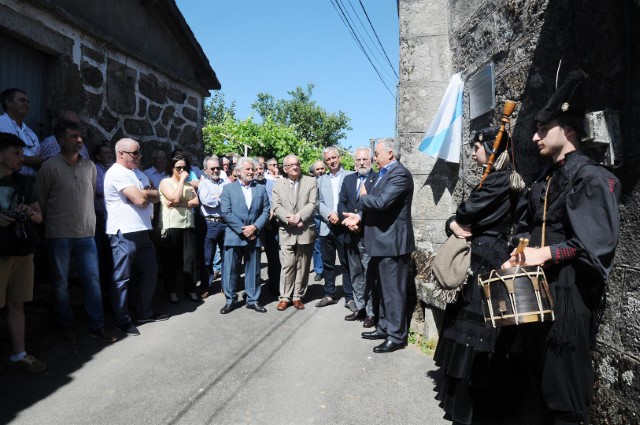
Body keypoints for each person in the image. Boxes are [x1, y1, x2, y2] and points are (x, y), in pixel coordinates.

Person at [502, 69, 620, 425]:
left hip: (568, 294)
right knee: (537, 380)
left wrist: (548, 254)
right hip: (534, 292)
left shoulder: (591, 177)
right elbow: (526, 226)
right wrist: (518, 254)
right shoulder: (544, 177)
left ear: (567, 130)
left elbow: (596, 245)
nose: (535, 136)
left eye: (543, 129)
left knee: (564, 390)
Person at [433, 126, 522, 424]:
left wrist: (454, 220)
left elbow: (467, 210)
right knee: (463, 325)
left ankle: (472, 410)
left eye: (476, 147)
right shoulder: (491, 177)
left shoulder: (499, 179)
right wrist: (452, 223)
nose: (472, 152)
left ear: (492, 149)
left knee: (479, 333)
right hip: (480, 256)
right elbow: (462, 217)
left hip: (489, 260)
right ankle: (457, 402)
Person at [36, 120, 116, 343]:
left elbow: (89, 195)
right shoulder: (49, 166)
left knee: (93, 281)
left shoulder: (90, 166)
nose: (79, 140)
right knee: (60, 284)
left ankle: (97, 325)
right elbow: (39, 201)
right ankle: (65, 325)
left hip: (86, 234)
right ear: (60, 140)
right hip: (58, 234)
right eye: (73, 136)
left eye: (80, 136)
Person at [342, 140, 415, 353]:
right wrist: (359, 217)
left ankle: (396, 335)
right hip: (380, 242)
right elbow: (376, 207)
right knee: (381, 290)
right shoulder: (385, 173)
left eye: (377, 153)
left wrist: (363, 197)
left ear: (390, 154)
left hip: (392, 244)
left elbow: (382, 202)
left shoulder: (400, 174)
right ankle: (384, 326)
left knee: (393, 292)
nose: (374, 157)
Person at [104, 138, 168, 336]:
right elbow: (142, 199)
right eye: (135, 153)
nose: (139, 157)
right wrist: (146, 193)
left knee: (150, 271)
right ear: (121, 153)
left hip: (142, 230)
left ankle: (144, 311)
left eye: (139, 153)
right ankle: (122, 320)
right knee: (122, 279)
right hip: (123, 232)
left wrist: (146, 194)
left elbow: (157, 197)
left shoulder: (137, 173)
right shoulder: (116, 172)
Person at [0, 132, 46, 372]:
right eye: (16, 153)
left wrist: (28, 211)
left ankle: (20, 354)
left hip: (23, 250)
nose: (22, 158)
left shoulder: (24, 183)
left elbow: (39, 217)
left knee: (17, 304)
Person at [219, 157, 270, 314]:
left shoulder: (260, 188)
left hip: (254, 235)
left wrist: (254, 227)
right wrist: (243, 230)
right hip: (234, 235)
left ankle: (253, 300)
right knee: (230, 269)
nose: (251, 172)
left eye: (252, 169)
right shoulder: (228, 188)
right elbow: (225, 212)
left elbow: (266, 211)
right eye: (247, 169)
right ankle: (230, 300)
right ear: (238, 171)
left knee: (253, 269)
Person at [271, 154, 318, 310]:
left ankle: (297, 295)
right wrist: (288, 218)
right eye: (290, 165)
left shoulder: (310, 181)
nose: (294, 167)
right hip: (286, 231)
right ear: (285, 168)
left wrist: (299, 216)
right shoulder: (278, 185)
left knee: (303, 265)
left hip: (305, 229)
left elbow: (313, 203)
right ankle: (285, 296)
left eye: (296, 164)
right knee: (288, 264)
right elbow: (276, 206)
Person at [337, 147, 378, 327]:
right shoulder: (348, 179)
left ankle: (371, 312)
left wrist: (358, 223)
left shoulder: (376, 179)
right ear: (354, 162)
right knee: (355, 274)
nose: (361, 163)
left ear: (371, 160)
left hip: (367, 234)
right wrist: (347, 222)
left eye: (365, 159)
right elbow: (341, 203)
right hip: (349, 235)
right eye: (358, 160)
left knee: (369, 274)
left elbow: (374, 205)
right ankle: (359, 308)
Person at [316, 147, 355, 311]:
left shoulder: (350, 177)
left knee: (346, 263)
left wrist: (340, 215)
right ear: (325, 162)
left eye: (334, 158)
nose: (332, 161)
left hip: (344, 226)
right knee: (328, 263)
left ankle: (349, 297)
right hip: (327, 226)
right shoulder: (320, 180)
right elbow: (316, 202)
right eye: (328, 160)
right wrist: (329, 214)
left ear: (339, 157)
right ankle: (329, 294)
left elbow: (353, 200)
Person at [158, 154, 200, 304]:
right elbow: (174, 197)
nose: (182, 170)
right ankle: (171, 290)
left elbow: (195, 202)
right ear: (172, 168)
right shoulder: (165, 182)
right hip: (172, 225)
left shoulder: (189, 185)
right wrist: (182, 180)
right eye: (179, 168)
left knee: (189, 259)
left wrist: (179, 204)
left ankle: (190, 289)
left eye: (184, 167)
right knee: (171, 261)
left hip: (188, 225)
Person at [197, 156, 227, 299]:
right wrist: (221, 197)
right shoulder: (203, 184)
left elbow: (229, 199)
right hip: (209, 224)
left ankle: (226, 286)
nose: (216, 170)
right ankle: (206, 286)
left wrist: (217, 196)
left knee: (227, 256)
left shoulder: (225, 182)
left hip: (225, 223)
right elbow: (206, 200)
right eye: (212, 168)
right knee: (207, 259)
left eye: (217, 168)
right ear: (206, 170)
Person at [0, 88, 41, 179]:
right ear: (9, 103)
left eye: (28, 101)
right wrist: (28, 160)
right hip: (5, 183)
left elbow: (39, 159)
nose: (26, 104)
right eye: (22, 100)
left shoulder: (31, 133)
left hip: (29, 184)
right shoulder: (1, 124)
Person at [254, 158, 280, 294]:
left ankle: (275, 286)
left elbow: (277, 200)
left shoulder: (272, 183)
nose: (259, 171)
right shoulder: (249, 185)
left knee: (274, 258)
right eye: (256, 169)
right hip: (255, 227)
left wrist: (273, 212)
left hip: (272, 226)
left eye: (261, 169)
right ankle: (254, 289)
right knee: (254, 260)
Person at [310, 160, 325, 282]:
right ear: (314, 171)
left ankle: (329, 268)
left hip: (328, 217)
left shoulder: (330, 181)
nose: (320, 171)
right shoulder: (310, 183)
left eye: (322, 168)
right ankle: (319, 270)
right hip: (315, 217)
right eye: (317, 169)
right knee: (317, 245)